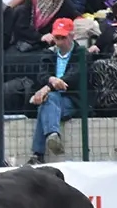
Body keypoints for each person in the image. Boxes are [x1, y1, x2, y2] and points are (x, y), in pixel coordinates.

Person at [27, 18, 85, 166]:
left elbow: (73, 78)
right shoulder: (49, 53)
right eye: (56, 38)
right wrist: (52, 80)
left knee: (47, 101)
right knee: (47, 102)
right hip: (53, 98)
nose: (59, 42)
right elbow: (42, 76)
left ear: (72, 36)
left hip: (72, 99)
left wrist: (48, 87)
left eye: (62, 38)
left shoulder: (81, 53)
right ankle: (52, 135)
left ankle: (38, 153)